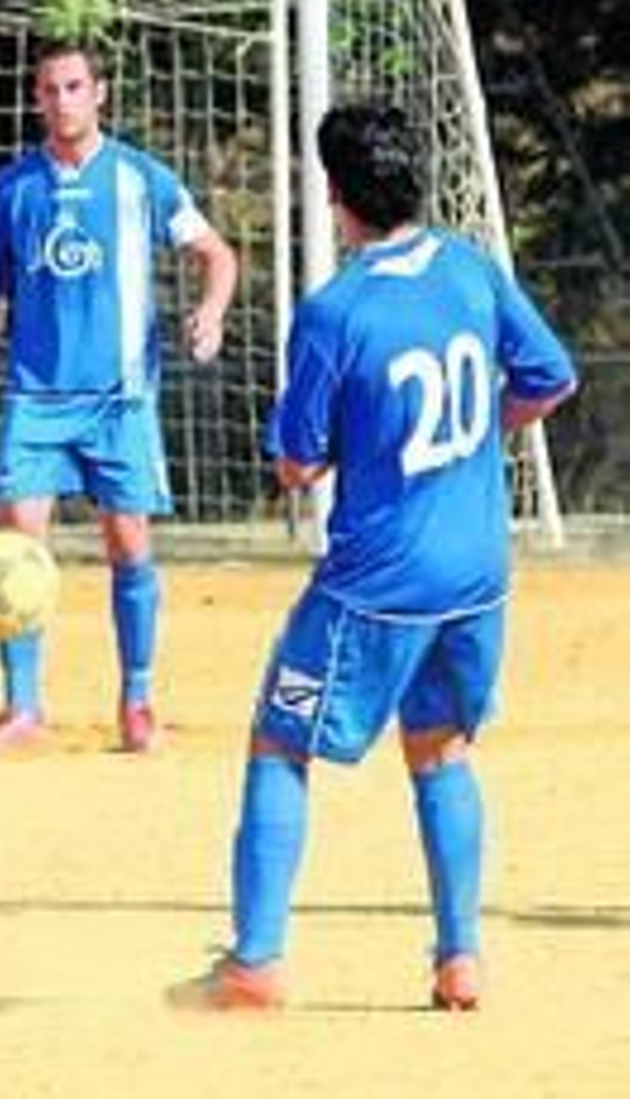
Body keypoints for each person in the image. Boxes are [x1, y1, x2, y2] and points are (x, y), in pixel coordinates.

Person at [173, 104, 576, 1010]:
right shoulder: (473, 271)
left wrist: (368, 445)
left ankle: (255, 962)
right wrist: (472, 438)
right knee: (440, 750)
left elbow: (295, 462)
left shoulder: (336, 310)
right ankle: (460, 956)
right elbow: (551, 378)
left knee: (279, 740)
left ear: (334, 194)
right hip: (478, 574)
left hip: (379, 582)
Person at [0, 40, 238, 755]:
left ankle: (137, 700)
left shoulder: (142, 179)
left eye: (74, 86)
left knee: (129, 543)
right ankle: (22, 705)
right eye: (49, 89)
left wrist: (211, 310)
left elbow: (217, 254)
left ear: (100, 94)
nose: (62, 100)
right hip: (36, 395)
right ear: (35, 100)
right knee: (16, 544)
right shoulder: (13, 188)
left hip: (121, 396)